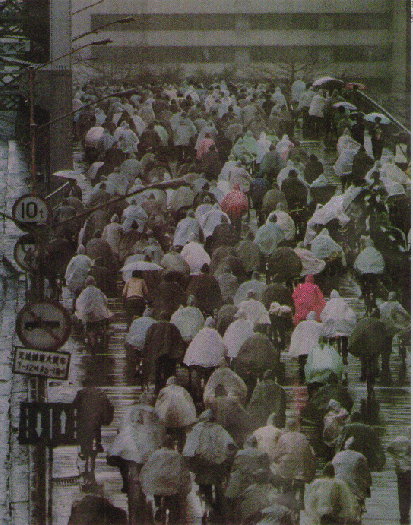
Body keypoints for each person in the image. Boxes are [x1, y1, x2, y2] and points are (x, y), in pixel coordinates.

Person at [388, 435, 411, 524]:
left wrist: (396, 457)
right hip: (407, 471)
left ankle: (404, 517)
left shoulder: (399, 440)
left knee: (403, 496)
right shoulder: (406, 441)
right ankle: (405, 517)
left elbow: (389, 448)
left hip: (402, 472)